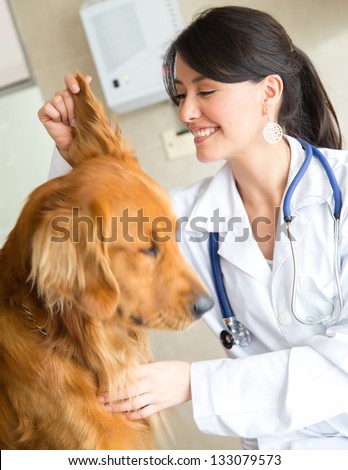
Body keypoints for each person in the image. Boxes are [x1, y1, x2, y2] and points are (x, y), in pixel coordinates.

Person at [38, 6, 348, 450]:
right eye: (181, 94)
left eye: (205, 91)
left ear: (269, 93)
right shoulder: (182, 216)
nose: (186, 113)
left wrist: (193, 384)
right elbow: (75, 245)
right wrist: (76, 159)